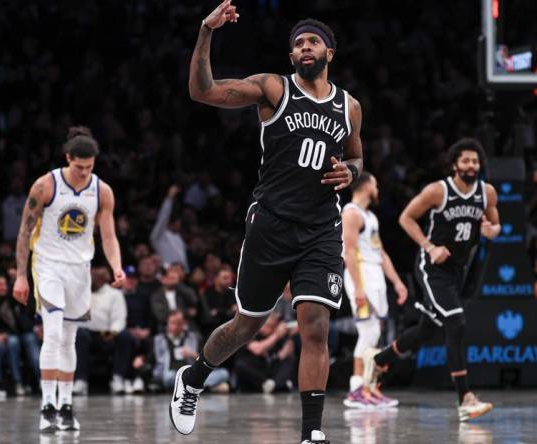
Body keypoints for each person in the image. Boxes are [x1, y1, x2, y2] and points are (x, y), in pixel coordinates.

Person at [171, 4, 363, 444]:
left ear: (329, 52)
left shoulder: (349, 106)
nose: (304, 47)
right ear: (291, 56)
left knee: (315, 326)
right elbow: (203, 91)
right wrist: (205, 32)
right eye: (297, 43)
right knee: (246, 326)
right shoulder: (273, 88)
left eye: (312, 41)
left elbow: (356, 155)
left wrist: (351, 172)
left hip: (320, 227)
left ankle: (311, 433)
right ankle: (195, 377)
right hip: (271, 225)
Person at [366, 138, 500, 422]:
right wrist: (430, 247)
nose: (471, 165)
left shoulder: (487, 193)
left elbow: (495, 224)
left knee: (427, 330)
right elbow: (406, 218)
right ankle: (465, 398)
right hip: (432, 267)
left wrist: (492, 230)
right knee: (456, 322)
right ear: (454, 165)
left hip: (459, 270)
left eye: (475, 161)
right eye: (465, 161)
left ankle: (379, 361)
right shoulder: (438, 191)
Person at [12, 126, 125, 432]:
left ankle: (66, 406)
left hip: (79, 269)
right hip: (48, 265)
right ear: (67, 159)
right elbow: (24, 231)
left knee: (70, 338)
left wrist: (116, 266)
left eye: (89, 168)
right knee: (52, 333)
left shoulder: (102, 190)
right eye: (78, 167)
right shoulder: (45, 185)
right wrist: (21, 276)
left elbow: (109, 235)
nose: (83, 173)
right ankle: (47, 406)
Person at [341, 172, 407, 409]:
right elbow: (348, 253)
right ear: (367, 185)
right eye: (376, 184)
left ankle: (370, 388)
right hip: (361, 276)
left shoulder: (370, 217)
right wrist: (358, 288)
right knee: (367, 332)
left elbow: (380, 254)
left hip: (375, 276)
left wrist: (397, 282)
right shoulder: (351, 213)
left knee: (375, 333)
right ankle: (356, 389)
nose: (377, 189)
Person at [73, 266, 127, 396]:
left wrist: (112, 332)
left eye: (93, 277)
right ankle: (81, 380)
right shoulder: (81, 294)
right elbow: (74, 316)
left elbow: (119, 318)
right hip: (86, 334)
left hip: (107, 334)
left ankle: (117, 378)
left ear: (102, 279)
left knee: (126, 337)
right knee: (80, 335)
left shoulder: (114, 294)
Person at [153, 310, 229, 393]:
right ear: (167, 324)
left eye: (178, 323)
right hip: (170, 373)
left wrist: (192, 354)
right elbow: (154, 364)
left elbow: (203, 359)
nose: (175, 326)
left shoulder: (193, 337)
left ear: (184, 324)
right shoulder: (159, 340)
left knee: (224, 373)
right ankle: (199, 387)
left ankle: (188, 388)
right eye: (172, 323)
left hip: (190, 373)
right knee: (168, 377)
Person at [233, 313, 296, 393]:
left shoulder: (277, 337)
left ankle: (274, 384)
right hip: (254, 375)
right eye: (269, 325)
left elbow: (283, 355)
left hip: (268, 371)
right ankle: (278, 384)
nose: (271, 329)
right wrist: (277, 335)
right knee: (241, 365)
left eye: (273, 326)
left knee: (290, 359)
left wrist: (290, 336)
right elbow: (258, 350)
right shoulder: (250, 334)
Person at [150, 185, 190, 272]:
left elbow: (183, 259)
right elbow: (163, 217)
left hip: (182, 274)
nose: (179, 226)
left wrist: (187, 272)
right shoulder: (158, 236)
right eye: (177, 223)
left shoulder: (178, 237)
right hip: (166, 272)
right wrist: (169, 198)